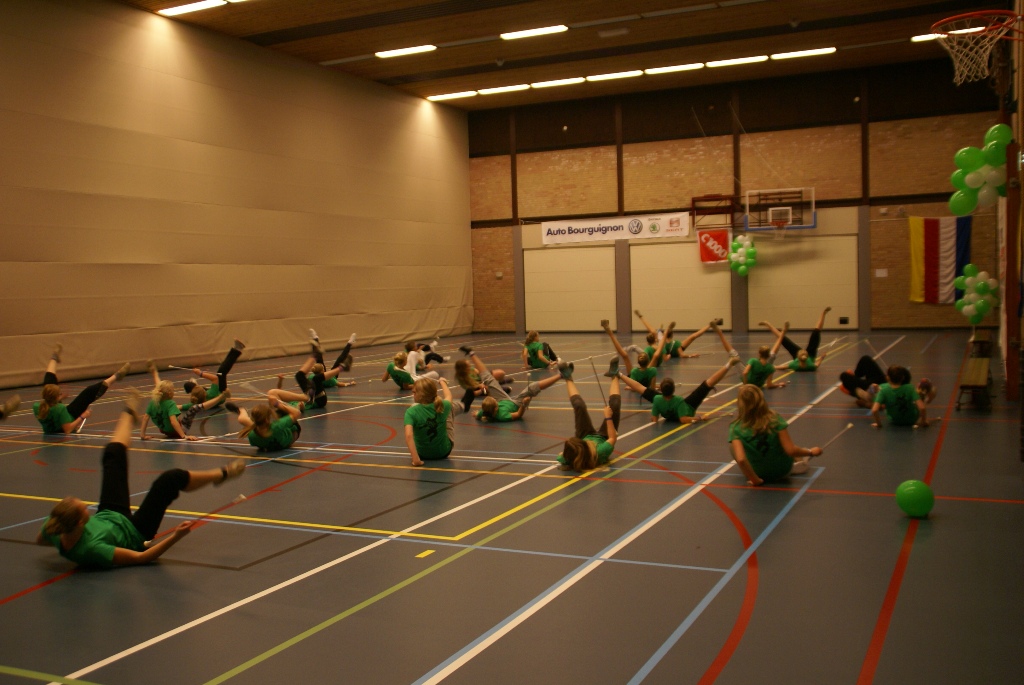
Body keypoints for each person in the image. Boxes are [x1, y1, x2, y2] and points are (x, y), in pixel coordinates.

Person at [35, 390, 246, 568]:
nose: (84, 505)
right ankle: (222, 474)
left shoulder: (55, 525)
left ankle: (128, 413)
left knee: (112, 454)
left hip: (109, 515)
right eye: (82, 508)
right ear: (80, 522)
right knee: (169, 480)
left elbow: (41, 540)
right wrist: (176, 536)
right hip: (136, 531)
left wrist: (65, 548)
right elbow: (141, 558)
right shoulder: (92, 549)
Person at [729, 384, 822, 486]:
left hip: (758, 474)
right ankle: (798, 461)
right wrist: (811, 452)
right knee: (786, 443)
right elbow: (790, 450)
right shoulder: (774, 418)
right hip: (782, 472)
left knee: (733, 445)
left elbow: (741, 459)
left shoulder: (735, 427)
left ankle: (753, 471)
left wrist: (756, 480)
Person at [34, 344, 130, 434]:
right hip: (69, 420)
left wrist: (58, 398)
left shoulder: (37, 406)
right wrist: (82, 416)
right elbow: (68, 429)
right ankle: (116, 376)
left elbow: (51, 410)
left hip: (56, 423)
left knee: (49, 384)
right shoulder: (60, 409)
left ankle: (54, 357)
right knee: (87, 394)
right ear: (55, 398)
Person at [617, 357, 742, 423]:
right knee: (707, 385)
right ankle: (729, 364)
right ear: (673, 390)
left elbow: (654, 419)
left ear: (661, 390)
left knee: (641, 389)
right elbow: (684, 419)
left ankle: (619, 374)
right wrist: (699, 418)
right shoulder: (679, 400)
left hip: (673, 404)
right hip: (689, 407)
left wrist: (656, 416)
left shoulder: (657, 399)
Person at [458, 346, 562, 422]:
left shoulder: (485, 411)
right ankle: (561, 375)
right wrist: (524, 404)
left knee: (487, 378)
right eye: (495, 402)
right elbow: (518, 415)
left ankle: (471, 353)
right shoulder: (502, 416)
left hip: (502, 399)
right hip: (516, 404)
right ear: (496, 408)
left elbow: (479, 414)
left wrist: (477, 415)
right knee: (531, 387)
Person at [140, 361, 229, 440]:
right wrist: (184, 436)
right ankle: (221, 397)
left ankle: (155, 373)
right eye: (173, 390)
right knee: (195, 408)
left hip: (164, 430)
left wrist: (142, 435)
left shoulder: (153, 402)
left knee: (161, 389)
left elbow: (145, 417)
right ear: (170, 394)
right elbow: (173, 422)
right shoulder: (170, 404)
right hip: (177, 431)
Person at [557, 364, 619, 472]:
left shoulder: (567, 458)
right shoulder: (599, 452)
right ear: (584, 448)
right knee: (614, 405)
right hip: (604, 437)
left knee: (579, 405)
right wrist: (608, 417)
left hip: (585, 435)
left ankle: (568, 377)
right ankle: (614, 375)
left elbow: (560, 455)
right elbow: (612, 438)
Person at [404, 377, 464, 467]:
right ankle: (461, 407)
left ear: (421, 395)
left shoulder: (411, 412)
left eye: (414, 392)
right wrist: (443, 382)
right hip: (443, 452)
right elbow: (449, 396)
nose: (413, 394)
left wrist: (416, 459)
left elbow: (409, 435)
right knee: (448, 410)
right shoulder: (443, 405)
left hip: (422, 454)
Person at [601, 319, 672, 393]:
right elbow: (658, 352)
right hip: (642, 386)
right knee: (655, 356)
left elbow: (633, 387)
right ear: (648, 361)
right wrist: (665, 333)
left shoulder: (634, 372)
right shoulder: (652, 370)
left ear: (638, 362)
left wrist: (631, 388)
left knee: (625, 355)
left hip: (634, 382)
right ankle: (611, 334)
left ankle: (610, 334)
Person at [759, 307, 831, 372]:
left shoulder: (795, 365)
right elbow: (816, 365)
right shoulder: (807, 366)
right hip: (811, 355)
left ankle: (768, 325)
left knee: (784, 340)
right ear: (806, 355)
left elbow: (782, 367)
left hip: (806, 357)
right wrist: (822, 358)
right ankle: (823, 313)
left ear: (798, 357)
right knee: (816, 333)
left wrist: (822, 357)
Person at [231, 396, 304, 451]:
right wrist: (277, 403)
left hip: (267, 443)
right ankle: (297, 405)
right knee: (282, 412)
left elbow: (255, 443)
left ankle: (241, 410)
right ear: (267, 420)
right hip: (290, 435)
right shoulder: (277, 426)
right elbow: (296, 413)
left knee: (243, 420)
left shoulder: (252, 435)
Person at [634, 310, 716, 359]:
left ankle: (641, 317)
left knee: (653, 331)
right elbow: (682, 355)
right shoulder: (676, 344)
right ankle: (709, 325)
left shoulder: (661, 341)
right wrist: (691, 355)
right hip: (675, 350)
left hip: (662, 348)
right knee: (693, 336)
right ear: (672, 335)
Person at [743, 321, 789, 390]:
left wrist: (745, 385)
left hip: (749, 384)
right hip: (759, 384)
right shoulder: (770, 367)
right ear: (768, 355)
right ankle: (781, 330)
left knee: (735, 359)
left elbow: (745, 372)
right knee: (777, 345)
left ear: (759, 354)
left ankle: (777, 328)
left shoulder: (753, 361)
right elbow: (769, 385)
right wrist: (778, 384)